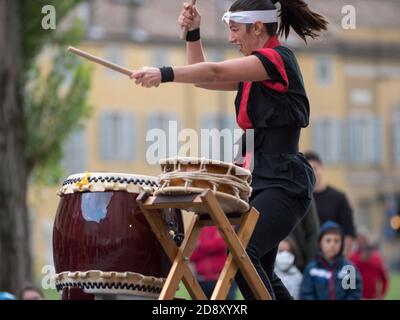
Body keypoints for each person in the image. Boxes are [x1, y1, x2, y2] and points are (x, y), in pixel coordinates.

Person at [130, 0, 328, 299]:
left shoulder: (277, 59)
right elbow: (202, 78)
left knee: (244, 255)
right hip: (258, 178)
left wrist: (164, 73)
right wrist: (193, 33)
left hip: (285, 181)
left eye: (235, 30)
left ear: (257, 27)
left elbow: (213, 72)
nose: (231, 38)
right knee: (251, 265)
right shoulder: (255, 68)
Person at [304, 151, 356, 258]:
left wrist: (343, 259)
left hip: (334, 257)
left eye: (315, 168)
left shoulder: (339, 197)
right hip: (309, 259)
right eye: (308, 169)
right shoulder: (302, 199)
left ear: (322, 168)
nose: (312, 172)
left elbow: (349, 231)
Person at [300, 221, 362, 300]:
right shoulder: (312, 269)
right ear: (320, 243)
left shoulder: (348, 269)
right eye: (328, 240)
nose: (332, 244)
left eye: (336, 241)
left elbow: (354, 294)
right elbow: (306, 294)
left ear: (342, 244)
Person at [190, 226, 237, 299]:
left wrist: (200, 247)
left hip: (223, 279)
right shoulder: (199, 227)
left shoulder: (225, 223)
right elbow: (190, 254)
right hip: (201, 281)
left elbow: (222, 243)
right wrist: (211, 247)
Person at [350, 226, 389, 299]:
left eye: (363, 238)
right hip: (356, 297)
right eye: (359, 239)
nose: (361, 241)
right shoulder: (352, 257)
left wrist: (382, 294)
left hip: (372, 297)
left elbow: (384, 278)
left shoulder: (376, 257)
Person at [288, 197, 320, 272]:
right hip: (268, 262)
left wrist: (310, 267)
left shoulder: (304, 191)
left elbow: (313, 232)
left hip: (298, 262)